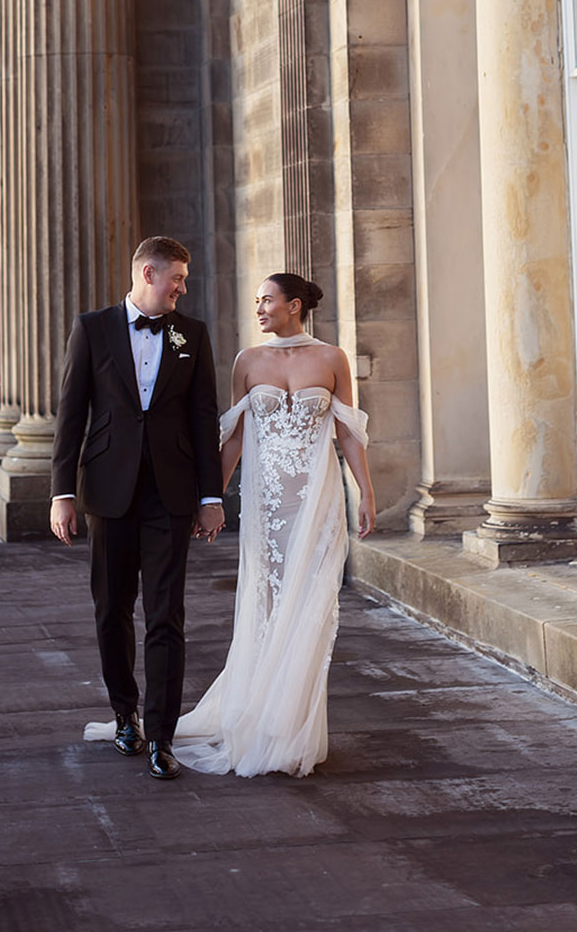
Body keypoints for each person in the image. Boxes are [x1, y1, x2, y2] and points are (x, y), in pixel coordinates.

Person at [170, 271, 375, 777]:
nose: (259, 308)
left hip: (317, 502)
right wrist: (211, 499)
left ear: (294, 305)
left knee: (310, 606)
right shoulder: (247, 361)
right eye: (257, 301)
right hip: (265, 507)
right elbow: (236, 438)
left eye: (267, 300)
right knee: (265, 606)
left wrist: (366, 493)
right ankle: (258, 717)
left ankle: (293, 729)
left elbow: (348, 433)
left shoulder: (332, 358)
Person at [50, 236, 224, 781]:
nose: (183, 289)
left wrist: (211, 496)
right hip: (108, 490)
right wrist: (61, 493)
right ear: (149, 273)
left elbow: (204, 417)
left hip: (171, 494)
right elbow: (71, 413)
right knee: (111, 609)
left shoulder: (192, 334)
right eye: (177, 278)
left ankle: (162, 736)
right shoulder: (92, 328)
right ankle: (125, 714)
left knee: (166, 614)